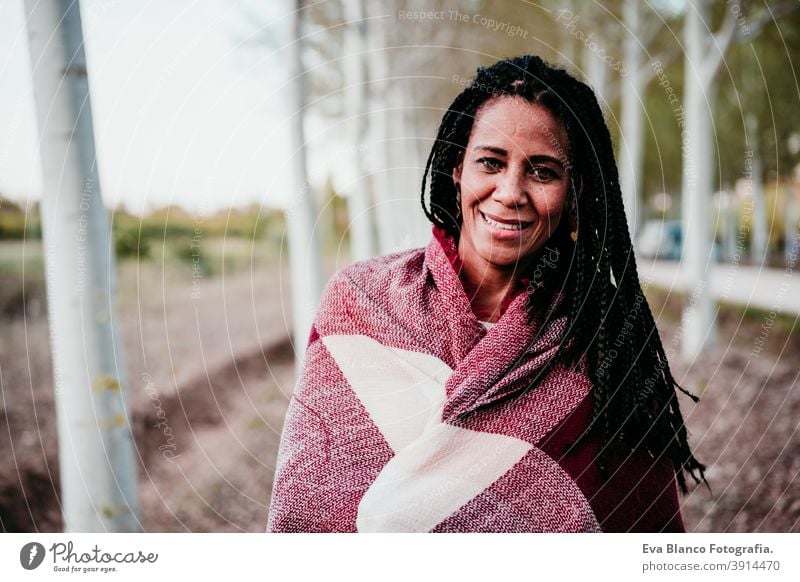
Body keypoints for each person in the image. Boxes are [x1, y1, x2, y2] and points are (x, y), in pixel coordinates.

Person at [266, 55, 705, 533]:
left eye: (542, 172)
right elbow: (307, 516)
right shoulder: (359, 303)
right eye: (491, 162)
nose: (510, 191)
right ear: (458, 168)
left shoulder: (601, 347)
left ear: (573, 191)